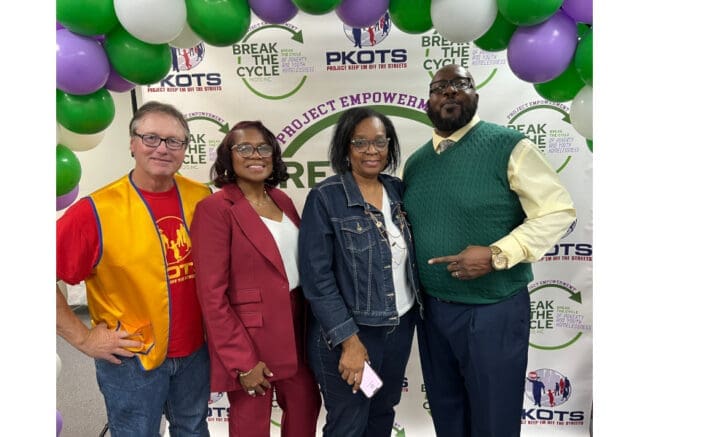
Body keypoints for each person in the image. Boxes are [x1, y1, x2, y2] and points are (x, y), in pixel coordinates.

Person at [402, 64, 577, 437]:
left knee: (494, 419)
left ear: (475, 95)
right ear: (428, 102)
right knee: (448, 415)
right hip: (432, 312)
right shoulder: (415, 164)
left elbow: (557, 210)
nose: (450, 92)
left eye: (460, 84)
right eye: (440, 87)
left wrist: (498, 253)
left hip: (493, 310)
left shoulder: (508, 146)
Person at [56, 101, 212, 436]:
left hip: (196, 353)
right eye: (151, 138)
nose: (162, 149)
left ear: (185, 148)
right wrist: (84, 339)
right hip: (131, 358)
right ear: (132, 143)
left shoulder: (202, 197)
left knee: (193, 428)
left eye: (174, 141)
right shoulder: (94, 211)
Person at [298, 107, 422, 437]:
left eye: (380, 142)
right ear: (345, 147)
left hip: (397, 328)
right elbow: (317, 280)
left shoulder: (397, 191)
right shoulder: (326, 198)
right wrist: (349, 342)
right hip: (352, 334)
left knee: (382, 413)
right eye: (360, 142)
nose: (371, 151)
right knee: (349, 422)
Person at [192, 121, 321, 437]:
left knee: (305, 409)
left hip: (297, 331)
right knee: (251, 425)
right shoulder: (214, 209)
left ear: (274, 155)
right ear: (228, 156)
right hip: (250, 340)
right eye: (244, 148)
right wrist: (242, 362)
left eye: (263, 148)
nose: (256, 155)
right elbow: (212, 295)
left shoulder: (283, 200)